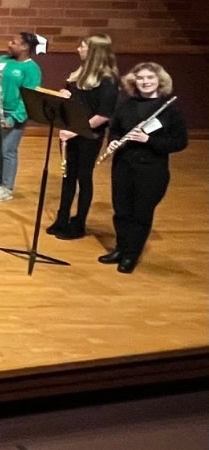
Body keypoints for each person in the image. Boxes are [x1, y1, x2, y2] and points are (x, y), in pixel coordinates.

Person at [100, 62, 187, 274]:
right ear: (134, 81)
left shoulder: (170, 110)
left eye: (150, 78)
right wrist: (113, 141)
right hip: (123, 165)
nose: (145, 82)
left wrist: (148, 140)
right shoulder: (126, 104)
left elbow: (180, 142)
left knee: (141, 213)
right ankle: (120, 249)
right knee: (121, 211)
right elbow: (116, 129)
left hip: (151, 170)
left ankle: (131, 255)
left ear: (160, 81)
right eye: (141, 78)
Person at [47, 34, 118, 240]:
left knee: (83, 177)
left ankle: (79, 223)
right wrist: (64, 93)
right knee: (67, 176)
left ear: (94, 51)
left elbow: (103, 115)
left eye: (83, 46)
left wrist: (75, 130)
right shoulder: (80, 73)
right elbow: (74, 97)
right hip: (70, 132)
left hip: (89, 135)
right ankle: (62, 218)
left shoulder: (107, 80)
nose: (79, 49)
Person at [0, 32, 45, 202]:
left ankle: (7, 187)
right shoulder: (1, 60)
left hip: (13, 113)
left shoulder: (31, 69)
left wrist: (14, 118)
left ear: (25, 47)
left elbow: (29, 99)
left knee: (8, 150)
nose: (9, 44)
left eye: (13, 42)